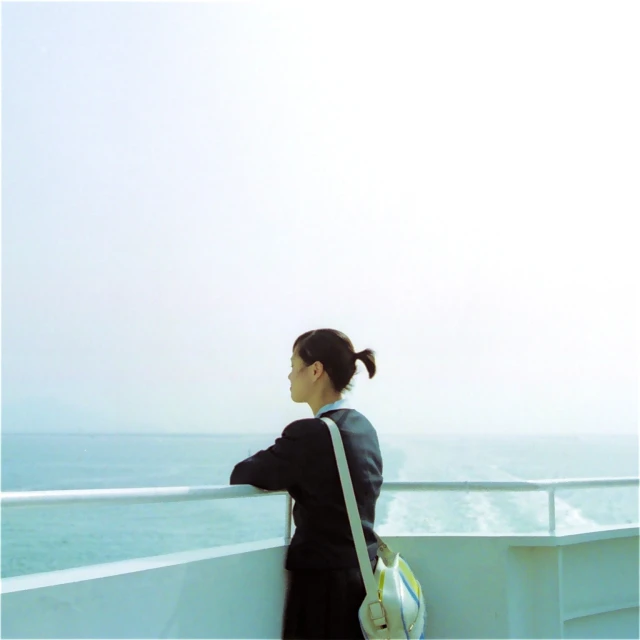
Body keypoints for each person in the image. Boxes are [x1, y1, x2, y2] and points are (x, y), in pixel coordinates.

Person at [229, 328, 383, 640]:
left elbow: (243, 474)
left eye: (293, 365)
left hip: (323, 593)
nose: (288, 376)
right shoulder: (363, 428)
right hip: (364, 578)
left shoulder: (310, 435)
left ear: (315, 370)